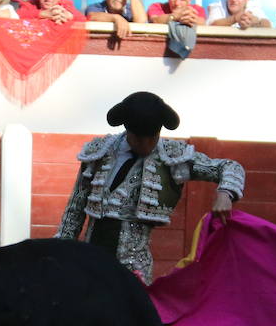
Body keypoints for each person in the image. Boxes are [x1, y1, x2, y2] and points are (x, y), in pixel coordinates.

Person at [54, 91, 244, 284]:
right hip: (90, 261)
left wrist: (225, 192)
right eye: (138, 138)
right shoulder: (100, 151)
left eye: (152, 138)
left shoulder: (172, 155)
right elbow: (75, 209)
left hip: (134, 269)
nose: (145, 144)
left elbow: (229, 167)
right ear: (127, 130)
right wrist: (59, 254)